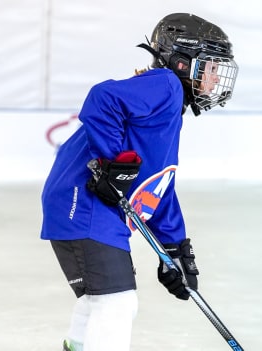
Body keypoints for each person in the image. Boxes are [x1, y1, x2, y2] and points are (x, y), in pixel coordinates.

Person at [39, 13, 239, 351]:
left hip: (79, 205)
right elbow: (103, 98)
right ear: (180, 62)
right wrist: (111, 160)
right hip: (84, 202)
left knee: (101, 299)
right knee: (116, 302)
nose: (215, 79)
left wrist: (176, 250)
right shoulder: (165, 85)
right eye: (210, 67)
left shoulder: (170, 109)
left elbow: (159, 185)